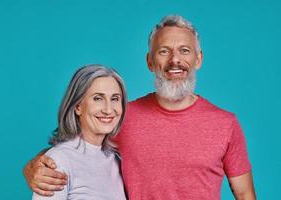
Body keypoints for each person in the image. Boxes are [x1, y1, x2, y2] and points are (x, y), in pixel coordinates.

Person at [23, 15, 256, 199]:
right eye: (164, 51)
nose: (175, 60)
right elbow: (81, 150)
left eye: (184, 50)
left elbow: (244, 193)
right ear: (150, 62)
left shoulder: (225, 124)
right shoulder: (122, 117)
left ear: (199, 59)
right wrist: (36, 165)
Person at [31, 64, 127, 200]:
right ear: (78, 106)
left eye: (115, 99)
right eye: (98, 98)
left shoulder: (116, 160)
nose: (108, 109)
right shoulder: (58, 161)